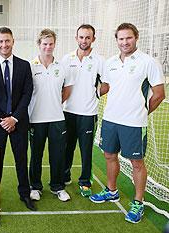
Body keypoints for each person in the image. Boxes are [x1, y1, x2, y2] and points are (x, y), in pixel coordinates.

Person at [89, 23, 165, 224]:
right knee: (109, 155)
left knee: (137, 163)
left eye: (128, 38)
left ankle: (138, 202)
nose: (124, 42)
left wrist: (143, 111)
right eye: (121, 39)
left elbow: (159, 94)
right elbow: (106, 85)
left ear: (136, 38)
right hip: (110, 119)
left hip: (134, 123)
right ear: (117, 40)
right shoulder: (111, 62)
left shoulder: (148, 62)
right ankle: (111, 190)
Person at [0, 27, 36, 211]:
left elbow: (27, 93)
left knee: (21, 159)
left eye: (7, 41)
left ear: (13, 41)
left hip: (18, 123)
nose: (4, 44)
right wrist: (3, 119)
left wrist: (14, 118)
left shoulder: (24, 65)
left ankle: (25, 194)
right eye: (1, 41)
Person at [28, 29, 74, 202]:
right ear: (39, 45)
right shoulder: (30, 66)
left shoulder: (62, 66)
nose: (48, 47)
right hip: (35, 119)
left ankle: (58, 187)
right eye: (45, 44)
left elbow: (67, 89)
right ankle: (35, 187)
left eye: (51, 44)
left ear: (55, 44)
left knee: (57, 155)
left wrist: (55, 102)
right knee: (36, 155)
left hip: (57, 119)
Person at [61, 24, 104, 197]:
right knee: (67, 147)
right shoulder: (67, 58)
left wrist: (94, 93)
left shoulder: (99, 60)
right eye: (81, 37)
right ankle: (64, 176)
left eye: (88, 37)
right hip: (68, 112)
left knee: (86, 150)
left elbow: (106, 84)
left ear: (93, 39)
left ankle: (85, 181)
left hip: (88, 113)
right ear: (76, 38)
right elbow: (61, 83)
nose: (84, 40)